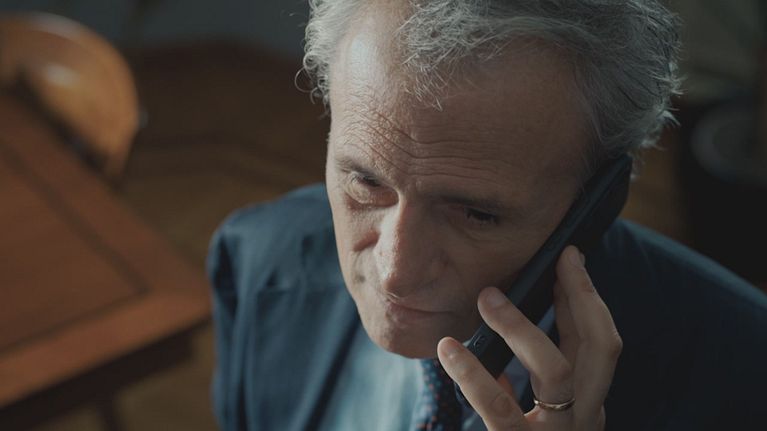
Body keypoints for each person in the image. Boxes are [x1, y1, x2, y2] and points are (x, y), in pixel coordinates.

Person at [207, 1, 767, 430]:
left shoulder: (746, 376)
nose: (396, 272)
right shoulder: (253, 256)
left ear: (597, 202)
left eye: (476, 214)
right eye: (366, 182)